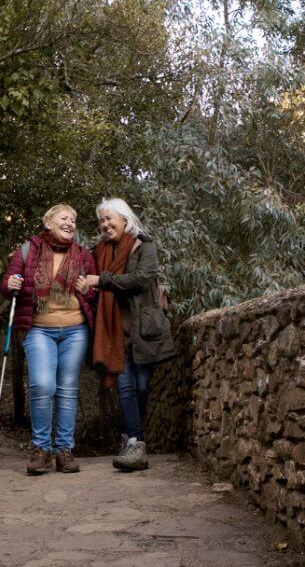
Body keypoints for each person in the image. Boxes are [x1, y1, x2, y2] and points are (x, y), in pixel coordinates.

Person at [76, 198, 176, 472]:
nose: (105, 225)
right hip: (113, 331)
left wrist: (102, 280)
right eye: (102, 221)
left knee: (142, 388)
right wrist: (87, 287)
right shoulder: (99, 251)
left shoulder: (144, 246)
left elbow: (141, 278)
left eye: (110, 219)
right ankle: (135, 441)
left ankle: (132, 438)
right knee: (126, 388)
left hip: (143, 331)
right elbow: (88, 279)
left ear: (124, 219)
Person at [0, 204, 97, 475]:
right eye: (64, 218)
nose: (70, 223)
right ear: (49, 222)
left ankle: (64, 451)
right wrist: (11, 284)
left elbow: (93, 295)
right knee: (43, 385)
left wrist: (87, 289)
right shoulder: (28, 250)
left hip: (75, 330)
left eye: (74, 220)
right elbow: (8, 284)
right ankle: (41, 449)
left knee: (67, 389)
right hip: (39, 329)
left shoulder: (84, 255)